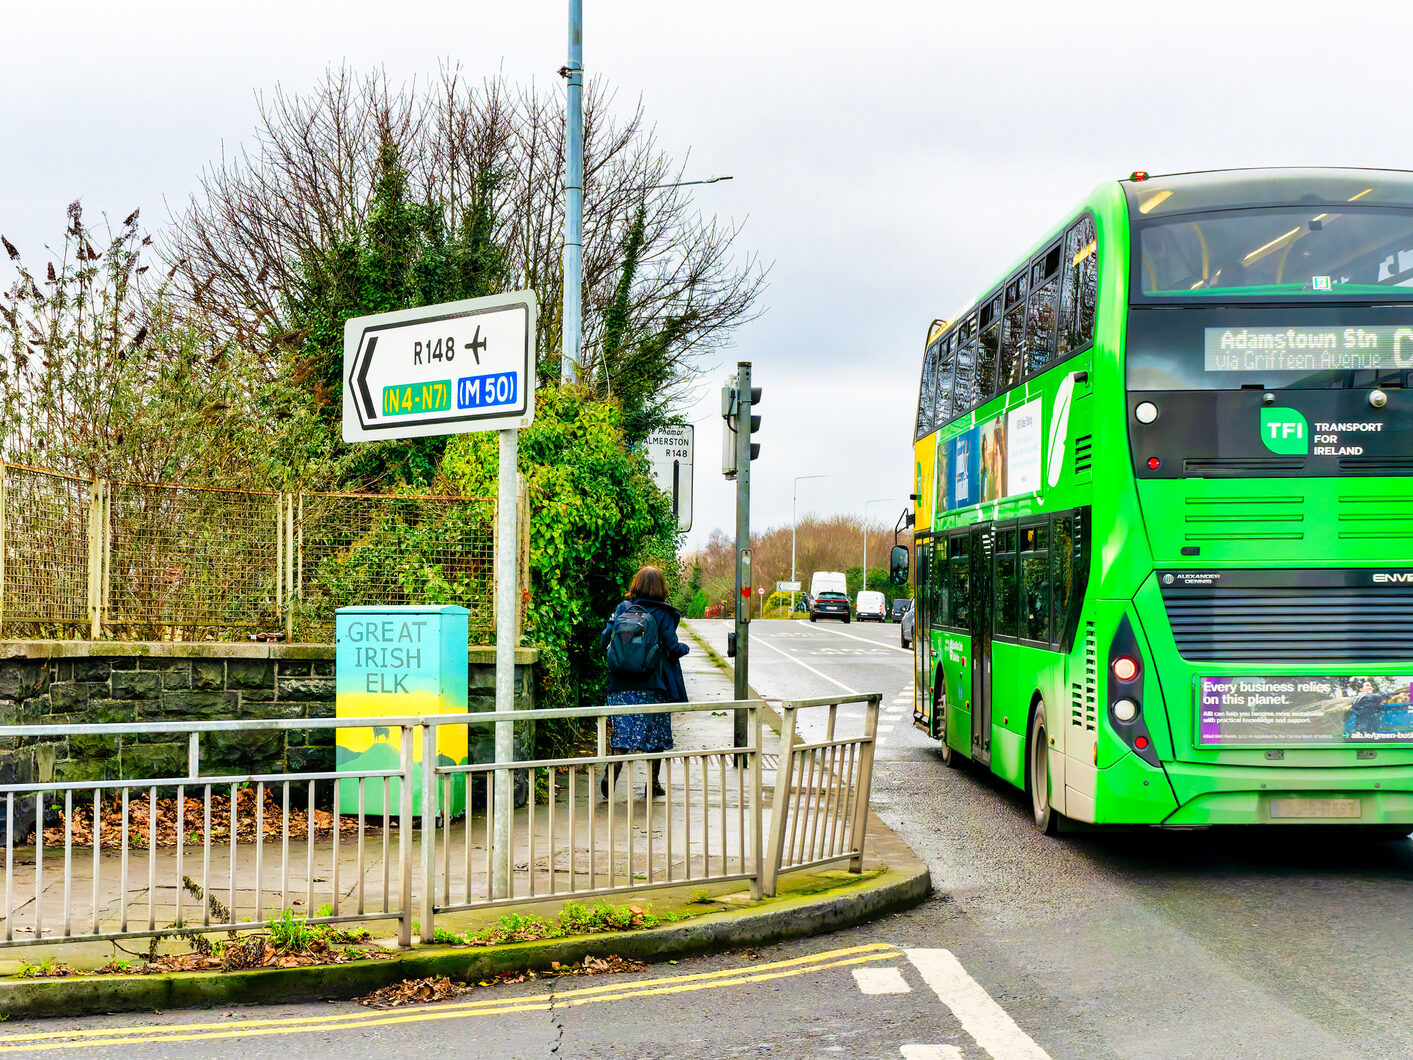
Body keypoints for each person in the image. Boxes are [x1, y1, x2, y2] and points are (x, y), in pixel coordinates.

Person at [600, 566, 689, 798]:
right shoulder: (664, 613)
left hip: (619, 684)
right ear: (661, 588)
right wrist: (684, 649)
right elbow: (671, 648)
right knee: (655, 735)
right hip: (653, 685)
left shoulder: (623, 608)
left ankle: (613, 772)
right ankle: (653, 784)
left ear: (636, 584)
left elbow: (603, 639)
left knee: (622, 732)